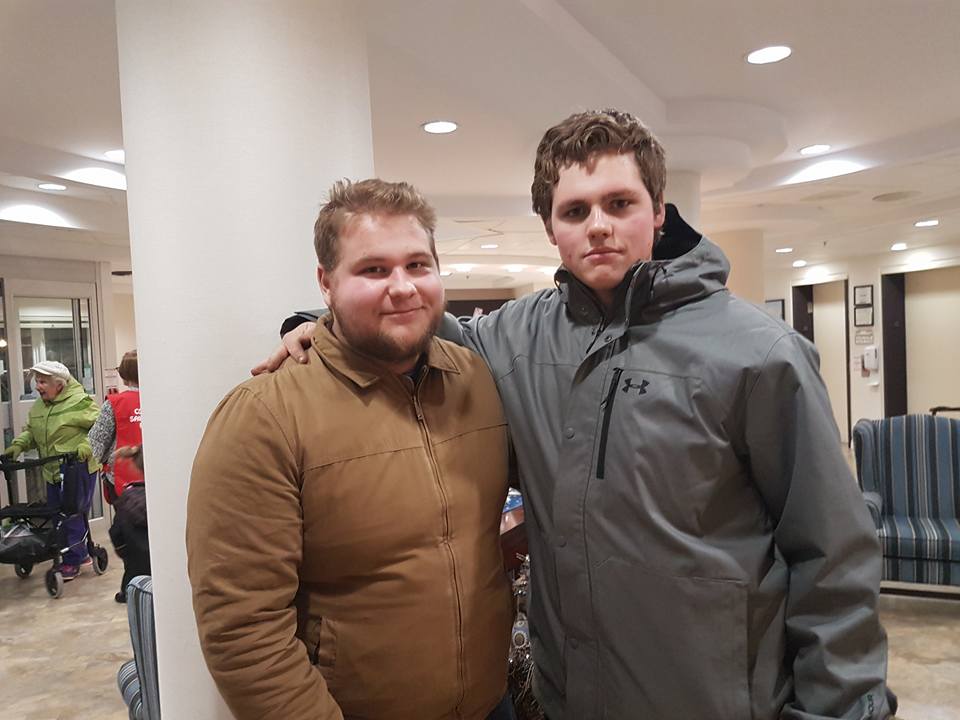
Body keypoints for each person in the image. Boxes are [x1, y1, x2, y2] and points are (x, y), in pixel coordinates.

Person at [263, 109, 896, 719]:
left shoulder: (760, 353)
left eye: (619, 203)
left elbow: (832, 552)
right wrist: (320, 324)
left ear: (658, 209)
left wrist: (838, 708)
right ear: (550, 227)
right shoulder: (515, 338)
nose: (598, 226)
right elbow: (418, 324)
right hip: (571, 696)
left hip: (715, 699)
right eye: (575, 210)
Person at [187, 179, 515, 720]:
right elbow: (242, 629)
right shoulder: (263, 417)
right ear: (326, 282)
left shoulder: (477, 379)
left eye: (417, 265)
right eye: (374, 269)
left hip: (490, 702)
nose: (402, 287)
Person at [2, 360, 100, 580]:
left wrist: (85, 447)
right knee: (56, 514)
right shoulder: (39, 406)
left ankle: (73, 560)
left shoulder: (79, 402)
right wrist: (18, 445)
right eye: (37, 381)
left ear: (60, 385)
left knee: (71, 514)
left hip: (77, 469)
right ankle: (76, 553)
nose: (38, 386)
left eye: (43, 382)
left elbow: (99, 428)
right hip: (52, 470)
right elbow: (32, 432)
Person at [89, 349, 142, 503]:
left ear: (124, 374)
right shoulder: (160, 400)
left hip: (121, 478)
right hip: (156, 476)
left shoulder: (114, 403)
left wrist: (104, 463)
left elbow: (96, 442)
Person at [107, 444, 149, 604]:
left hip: (135, 572)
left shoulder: (126, 499)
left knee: (132, 572)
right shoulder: (166, 499)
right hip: (164, 571)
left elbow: (116, 532)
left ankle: (126, 593)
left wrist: (125, 553)